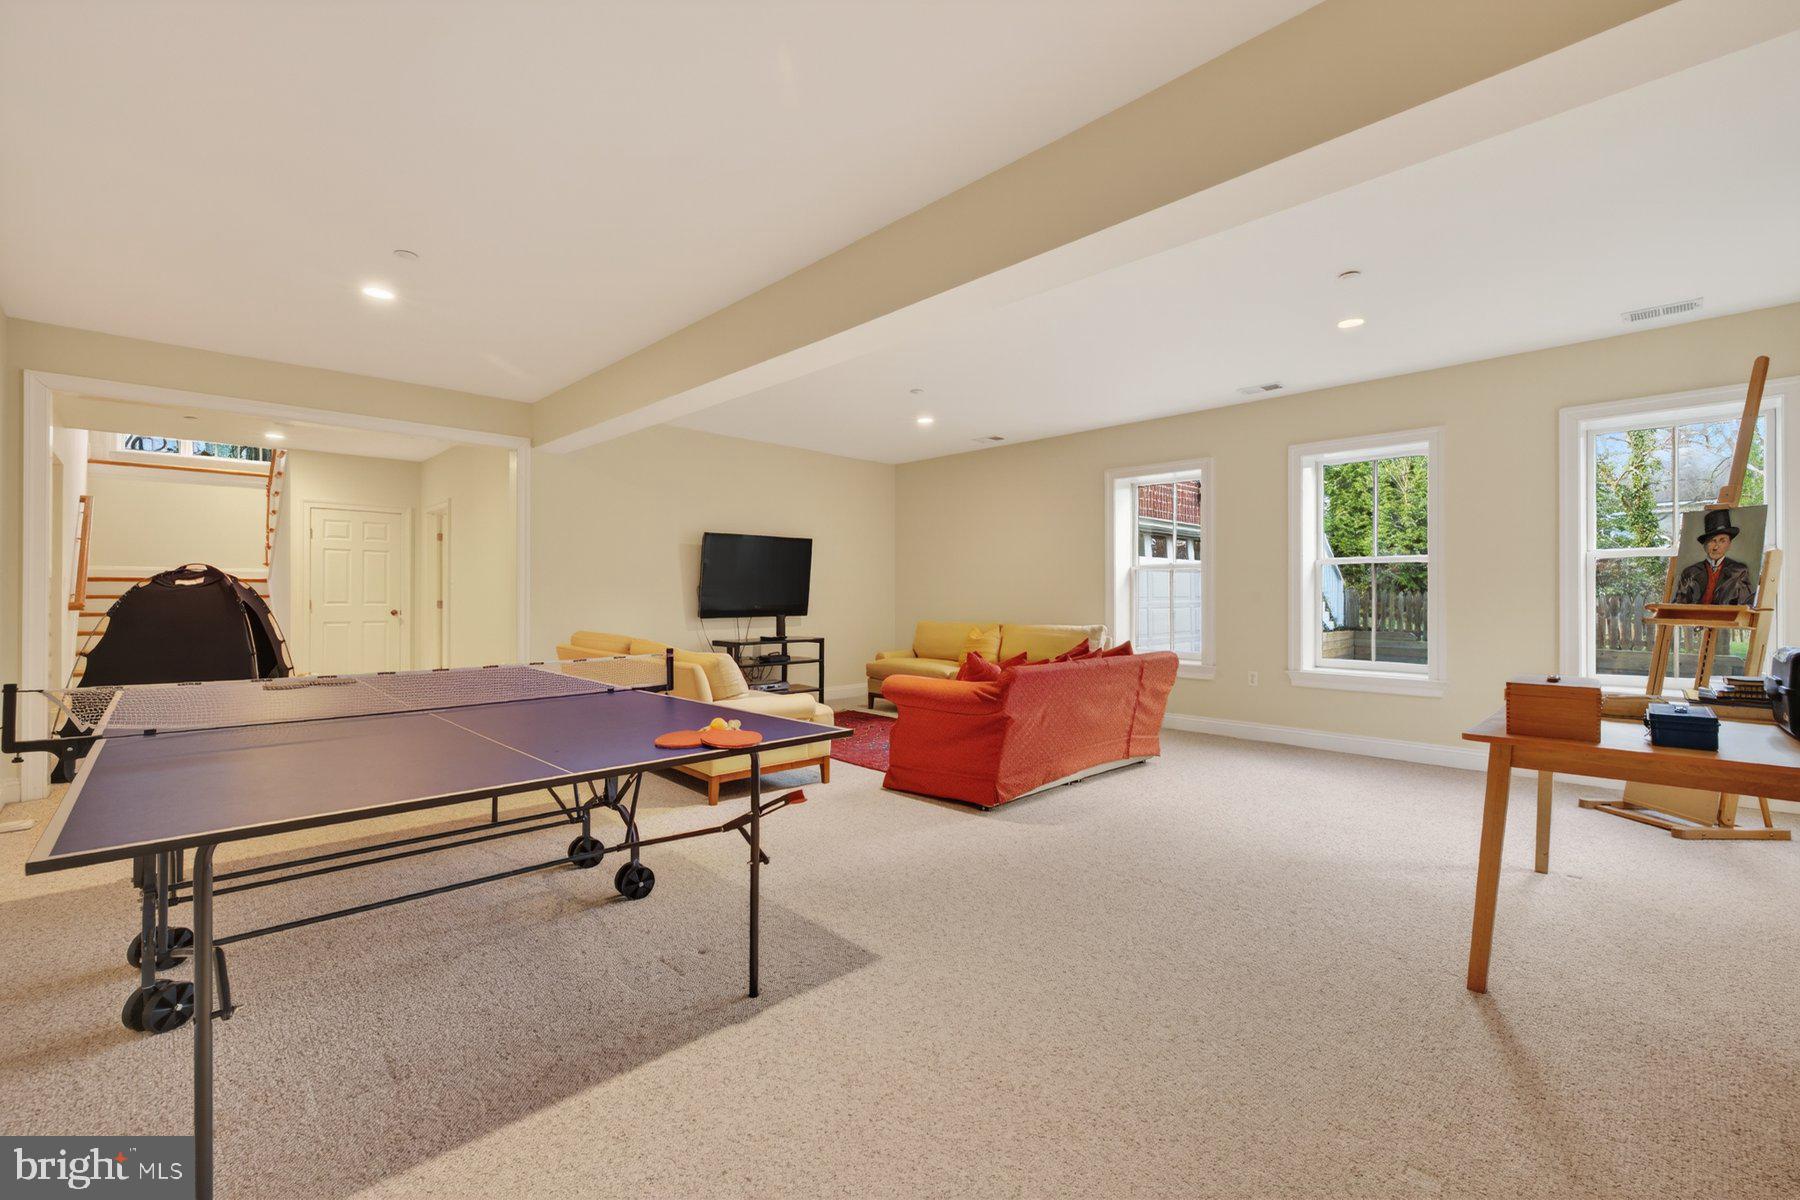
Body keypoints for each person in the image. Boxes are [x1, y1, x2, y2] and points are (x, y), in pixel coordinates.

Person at [1673, 508, 1755, 606]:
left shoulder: (1739, 572)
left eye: (1722, 541)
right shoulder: (1690, 572)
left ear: (1729, 544)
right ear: (1705, 545)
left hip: (1726, 620)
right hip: (1694, 620)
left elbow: (1746, 606)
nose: (1716, 547)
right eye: (1712, 541)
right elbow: (1679, 605)